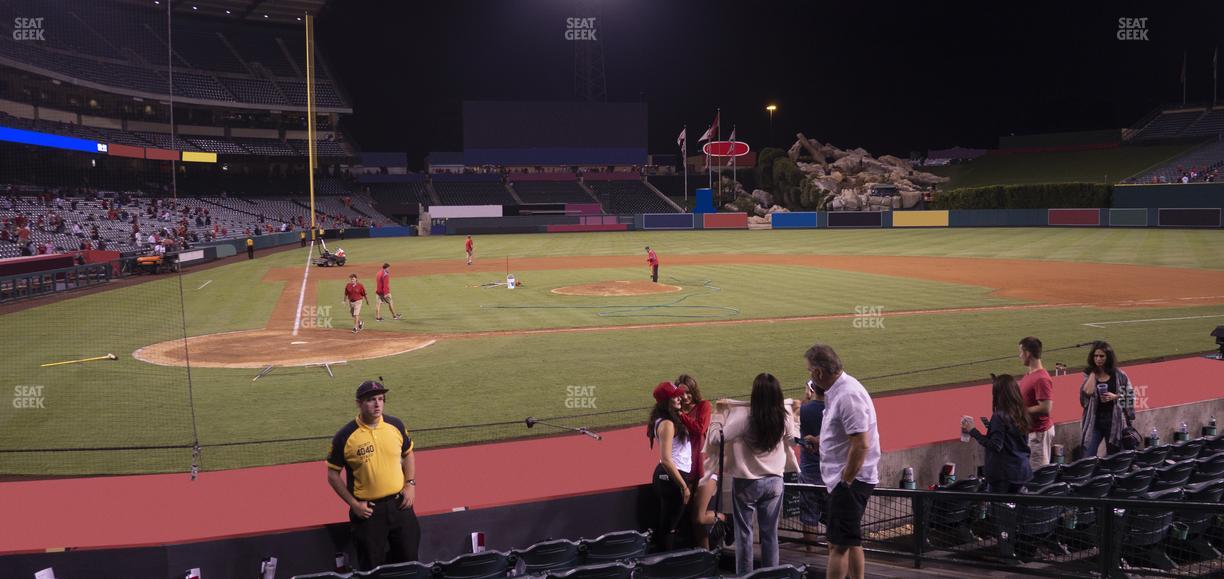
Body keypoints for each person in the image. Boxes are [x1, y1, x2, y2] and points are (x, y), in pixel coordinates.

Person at [326, 380, 420, 570]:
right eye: (370, 400)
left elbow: (408, 453)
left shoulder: (395, 425)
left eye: (380, 399)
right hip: (369, 513)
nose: (377, 404)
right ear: (358, 403)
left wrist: (410, 484)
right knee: (371, 568)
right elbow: (332, 474)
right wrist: (354, 504)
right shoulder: (345, 436)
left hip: (400, 506)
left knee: (410, 563)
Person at [807, 343, 880, 579]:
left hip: (850, 481)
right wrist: (822, 443)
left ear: (819, 372)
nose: (809, 375)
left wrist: (845, 482)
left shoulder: (848, 394)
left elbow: (861, 444)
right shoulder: (841, 391)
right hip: (848, 478)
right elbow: (847, 436)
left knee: (836, 547)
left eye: (810, 370)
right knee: (850, 540)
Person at [719, 373, 798, 575]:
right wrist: (794, 414)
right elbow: (792, 438)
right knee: (770, 534)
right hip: (774, 482)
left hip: (747, 483)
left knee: (744, 535)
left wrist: (718, 415)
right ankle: (772, 575)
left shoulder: (745, 418)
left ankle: (745, 576)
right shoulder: (783, 416)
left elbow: (717, 438)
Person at [961, 374, 1033, 493]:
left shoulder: (999, 416)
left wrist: (973, 431)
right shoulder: (1021, 413)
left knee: (998, 510)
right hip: (1022, 471)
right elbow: (1012, 439)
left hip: (1004, 476)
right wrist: (993, 428)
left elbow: (995, 445)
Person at [647, 381, 692, 551]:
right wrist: (683, 486)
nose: (679, 398)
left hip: (669, 476)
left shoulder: (666, 419)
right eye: (675, 396)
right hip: (672, 476)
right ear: (666, 401)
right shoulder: (667, 424)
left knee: (669, 523)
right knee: (670, 526)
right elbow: (666, 459)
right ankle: (667, 564)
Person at [1078, 341, 1135, 457]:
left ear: (1108, 357)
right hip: (1094, 421)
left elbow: (1130, 396)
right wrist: (1093, 372)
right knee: (1088, 455)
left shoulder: (1119, 375)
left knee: (1113, 456)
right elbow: (1086, 394)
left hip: (1113, 421)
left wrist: (1115, 396)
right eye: (1095, 356)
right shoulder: (1089, 374)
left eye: (1101, 356)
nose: (1098, 359)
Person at [675, 374, 713, 545]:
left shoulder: (704, 406)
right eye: (681, 393)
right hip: (684, 466)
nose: (685, 397)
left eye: (688, 392)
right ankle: (705, 556)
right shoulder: (675, 411)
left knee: (698, 517)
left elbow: (699, 428)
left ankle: (726, 520)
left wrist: (680, 414)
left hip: (702, 466)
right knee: (692, 518)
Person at [1018, 336, 1054, 470]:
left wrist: (1021, 411)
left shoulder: (1041, 379)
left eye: (1021, 352)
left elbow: (1046, 408)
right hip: (1031, 432)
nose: (1020, 356)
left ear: (1028, 353)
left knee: (1037, 475)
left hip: (1038, 435)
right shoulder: (1030, 375)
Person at [798, 379, 827, 548]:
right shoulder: (834, 409)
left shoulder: (804, 409)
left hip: (809, 472)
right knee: (834, 520)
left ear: (811, 389)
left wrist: (806, 399)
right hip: (831, 474)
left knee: (809, 517)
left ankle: (810, 554)